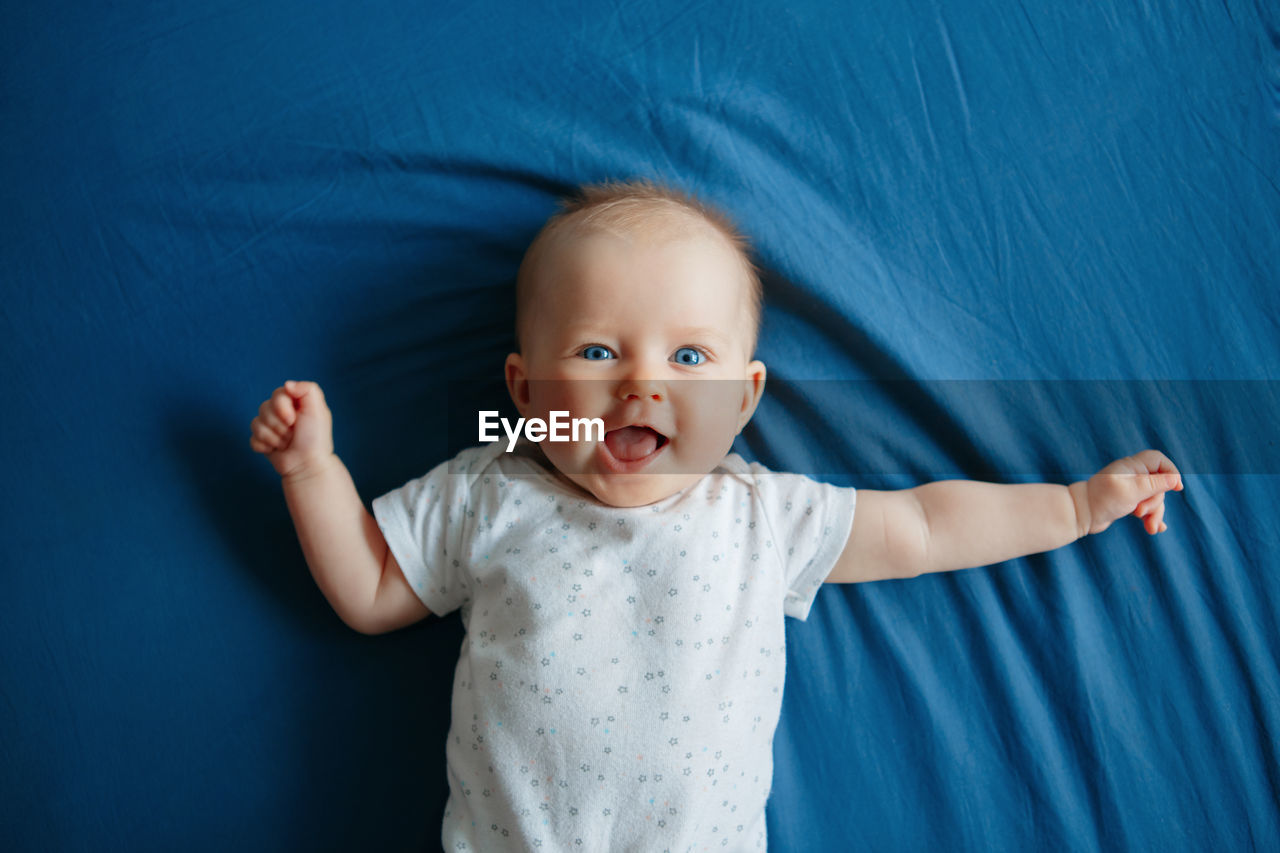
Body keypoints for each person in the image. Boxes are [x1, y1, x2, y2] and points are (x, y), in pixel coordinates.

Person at [249, 180, 1183, 851]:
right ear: (525, 389)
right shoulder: (489, 491)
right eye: (598, 350)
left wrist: (1073, 505)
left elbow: (927, 527)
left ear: (745, 399)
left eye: (690, 359)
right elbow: (371, 589)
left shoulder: (761, 515)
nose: (641, 383)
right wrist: (312, 469)